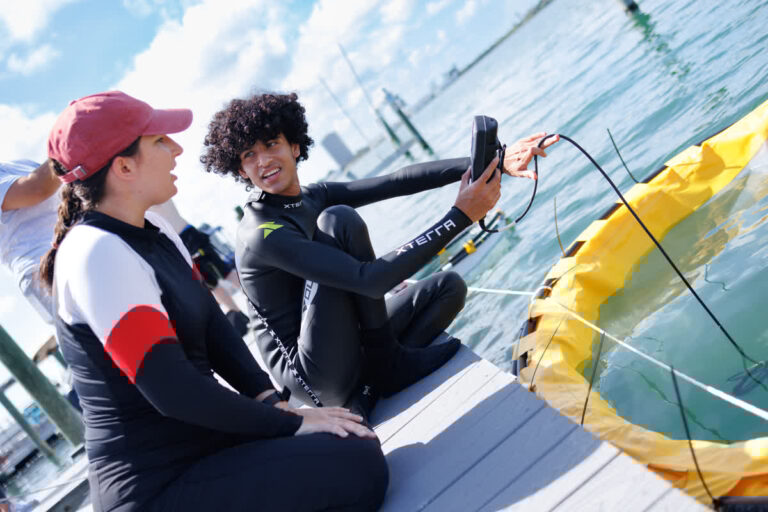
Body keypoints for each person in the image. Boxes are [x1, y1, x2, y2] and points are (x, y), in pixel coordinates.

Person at [41, 90, 387, 512]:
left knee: (352, 439)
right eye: (159, 141)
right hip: (157, 489)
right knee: (356, 463)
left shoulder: (154, 229)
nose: (176, 149)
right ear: (125, 167)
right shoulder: (95, 254)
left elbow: (214, 326)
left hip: (204, 448)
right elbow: (174, 392)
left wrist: (275, 403)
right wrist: (287, 424)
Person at [200, 92, 558, 419]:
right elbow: (369, 281)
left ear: (294, 146)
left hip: (344, 341)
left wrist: (496, 161)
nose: (263, 161)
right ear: (241, 170)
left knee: (448, 287)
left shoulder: (311, 196)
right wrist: (461, 216)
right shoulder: (261, 233)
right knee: (340, 221)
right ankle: (386, 366)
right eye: (249, 155)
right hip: (314, 375)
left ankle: (374, 379)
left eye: (271, 144)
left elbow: (397, 181)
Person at [150, 199, 250, 335]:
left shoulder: (148, 191)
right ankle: (238, 316)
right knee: (211, 284)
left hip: (187, 237)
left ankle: (255, 298)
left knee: (223, 274)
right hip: (182, 240)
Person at [0, 158, 59, 323]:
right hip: (43, 271)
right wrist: (68, 145)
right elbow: (37, 189)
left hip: (77, 252)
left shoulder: (20, 164)